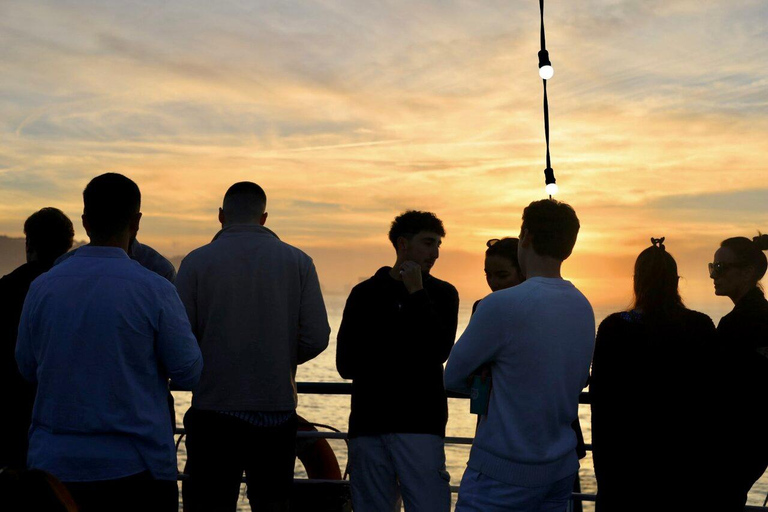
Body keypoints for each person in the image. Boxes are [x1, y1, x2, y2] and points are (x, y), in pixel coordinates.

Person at [15, 173, 203, 512]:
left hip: (55, 469)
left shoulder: (42, 287)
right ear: (137, 222)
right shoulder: (156, 289)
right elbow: (189, 373)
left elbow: (27, 367)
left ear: (85, 222)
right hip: (138, 468)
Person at [176, 181, 330, 512]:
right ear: (264, 217)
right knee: (272, 505)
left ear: (221, 216)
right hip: (275, 415)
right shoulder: (298, 262)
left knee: (208, 505)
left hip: (213, 412)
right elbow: (317, 336)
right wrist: (279, 356)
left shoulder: (196, 262)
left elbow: (180, 338)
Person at [445, 199, 594, 512]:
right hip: (560, 467)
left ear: (525, 236)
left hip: (503, 470)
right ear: (569, 245)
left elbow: (452, 377)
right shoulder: (583, 306)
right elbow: (578, 378)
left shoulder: (501, 305)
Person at [336, 210, 459, 512]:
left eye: (438, 244)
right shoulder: (364, 294)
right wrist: (408, 354)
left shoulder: (442, 294)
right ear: (402, 244)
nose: (436, 253)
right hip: (369, 426)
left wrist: (417, 293)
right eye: (429, 243)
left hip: (421, 425)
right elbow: (345, 363)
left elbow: (439, 350)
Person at [589, 238, 718, 512]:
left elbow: (602, 404)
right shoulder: (700, 326)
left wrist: (605, 473)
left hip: (626, 464)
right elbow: (712, 400)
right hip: (684, 464)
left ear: (637, 281)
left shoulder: (615, 328)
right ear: (675, 281)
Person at [0, 208, 74, 470]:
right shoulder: (76, 290)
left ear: (28, 243)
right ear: (68, 246)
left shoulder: (7, 287)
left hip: (13, 416)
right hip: (66, 421)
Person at [710, 233, 768, 510]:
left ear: (747, 273)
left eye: (720, 268)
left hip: (735, 445)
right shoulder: (758, 315)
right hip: (754, 444)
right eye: (712, 267)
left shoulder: (737, 324)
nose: (713, 275)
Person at [472, 237, 524, 315]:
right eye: (488, 275)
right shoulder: (482, 307)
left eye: (502, 276)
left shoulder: (539, 308)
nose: (493, 283)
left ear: (522, 273)